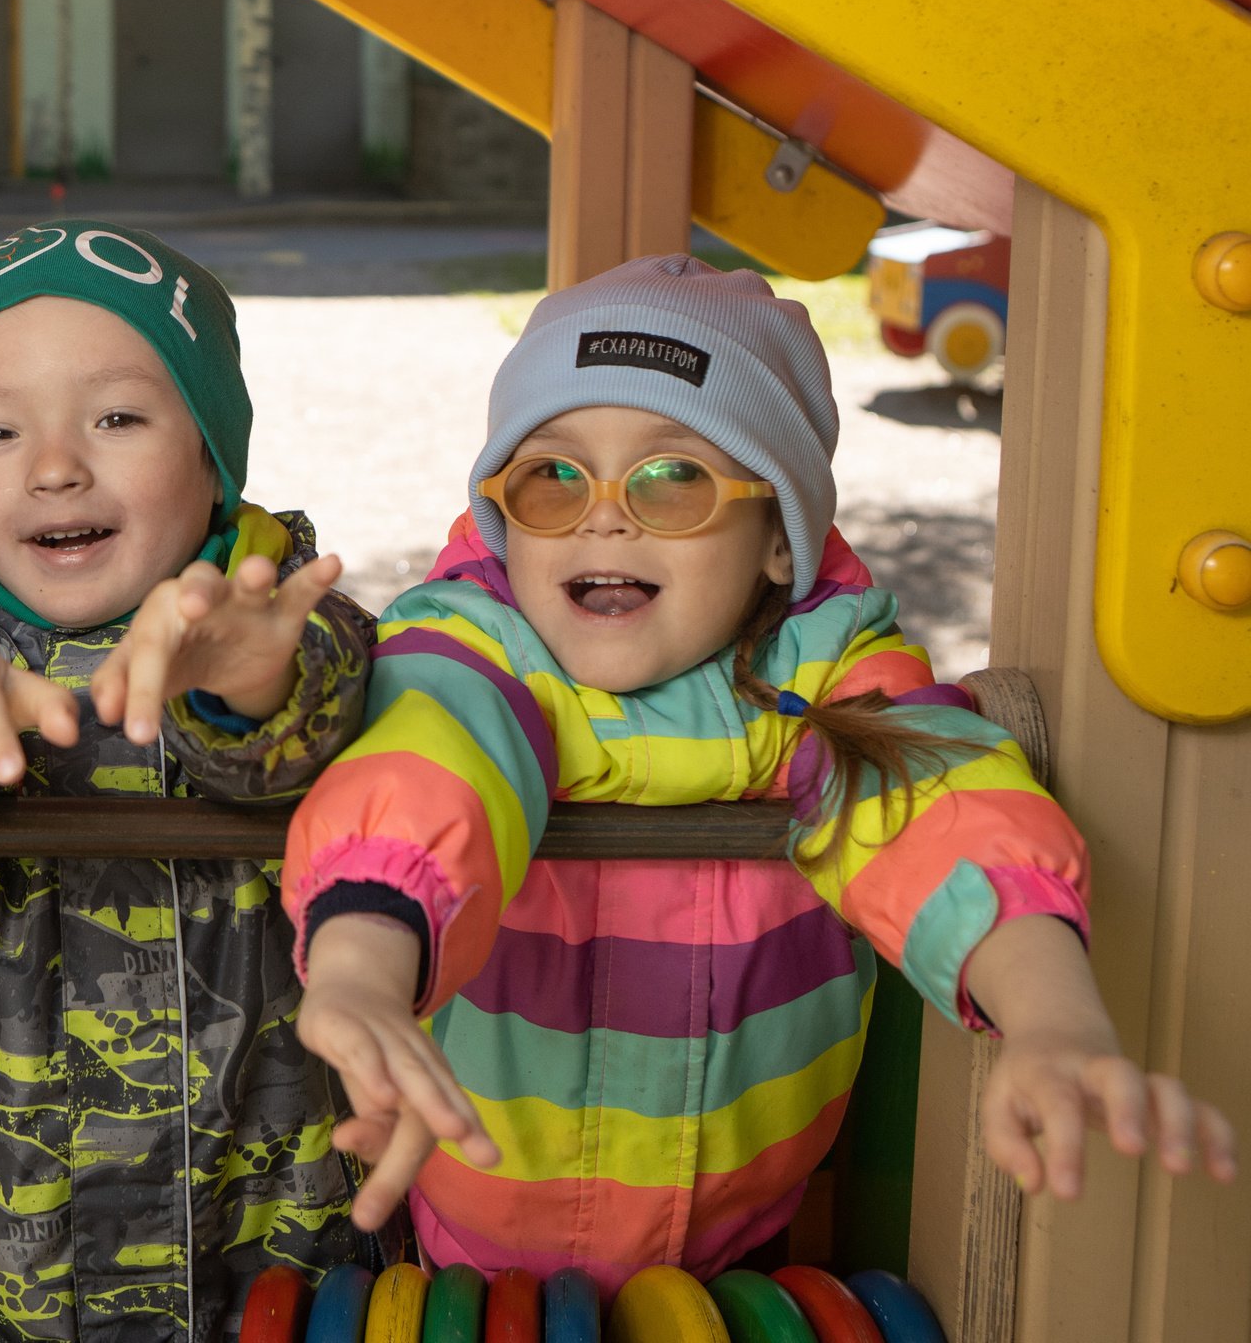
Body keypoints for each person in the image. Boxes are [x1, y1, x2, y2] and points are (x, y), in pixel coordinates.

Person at [281, 254, 1238, 1288]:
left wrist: (1051, 1013)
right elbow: (425, 769)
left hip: (743, 1245)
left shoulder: (825, 666)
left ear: (779, 539)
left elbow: (936, 802)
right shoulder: (476, 646)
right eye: (551, 475)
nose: (604, 513)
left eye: (672, 475)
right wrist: (359, 969)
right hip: (470, 1242)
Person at [0, 222, 378, 1341]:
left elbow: (322, 706)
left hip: (278, 1243)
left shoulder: (284, 613)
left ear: (212, 451)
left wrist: (241, 684)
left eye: (117, 416)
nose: (55, 464)